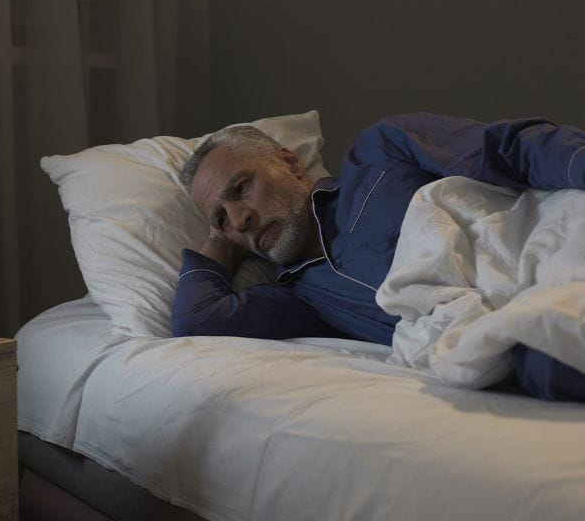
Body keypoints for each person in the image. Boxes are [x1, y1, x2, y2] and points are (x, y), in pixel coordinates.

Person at [171, 112, 585, 401]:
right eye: (221, 218)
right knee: (544, 355)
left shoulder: (381, 154)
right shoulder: (302, 300)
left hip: (547, 247)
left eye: (242, 188)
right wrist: (220, 242)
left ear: (292, 164)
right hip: (518, 330)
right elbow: (197, 319)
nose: (240, 219)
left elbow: (512, 149)